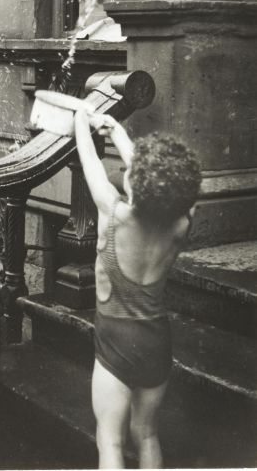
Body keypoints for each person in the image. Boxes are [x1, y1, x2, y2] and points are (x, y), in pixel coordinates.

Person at [74, 108, 201, 469]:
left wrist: (83, 125)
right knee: (146, 434)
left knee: (110, 441)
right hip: (156, 339)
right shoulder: (181, 221)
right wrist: (115, 130)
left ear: (138, 182)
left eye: (131, 171)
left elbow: (89, 162)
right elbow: (163, 181)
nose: (127, 172)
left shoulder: (112, 213)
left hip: (114, 339)